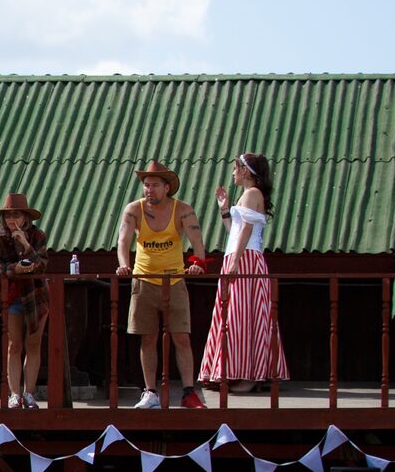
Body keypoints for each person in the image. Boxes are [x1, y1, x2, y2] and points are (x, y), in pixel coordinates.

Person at [115, 160, 209, 409]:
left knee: (182, 337)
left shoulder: (183, 209)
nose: (149, 190)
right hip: (143, 279)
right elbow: (123, 242)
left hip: (174, 279)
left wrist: (198, 262)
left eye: (155, 185)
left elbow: (197, 241)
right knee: (148, 338)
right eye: (146, 185)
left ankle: (189, 392)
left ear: (167, 188)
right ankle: (150, 392)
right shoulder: (133, 210)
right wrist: (124, 264)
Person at [199, 153, 286, 393]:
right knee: (236, 313)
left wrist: (236, 261)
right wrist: (225, 210)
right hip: (240, 255)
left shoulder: (251, 193)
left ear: (245, 171)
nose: (233, 173)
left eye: (236, 168)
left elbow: (246, 229)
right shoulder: (247, 195)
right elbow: (234, 231)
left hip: (245, 257)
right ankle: (239, 371)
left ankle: (248, 374)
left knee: (242, 313)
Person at [0, 193, 50, 408]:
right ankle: (15, 394)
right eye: (8, 215)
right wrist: (14, 269)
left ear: (25, 217)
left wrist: (25, 244)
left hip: (35, 294)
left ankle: (29, 393)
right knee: (14, 345)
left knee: (33, 344)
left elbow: (41, 265)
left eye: (17, 215)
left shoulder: (38, 235)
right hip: (11, 294)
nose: (12, 220)